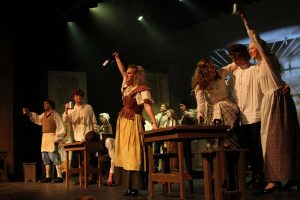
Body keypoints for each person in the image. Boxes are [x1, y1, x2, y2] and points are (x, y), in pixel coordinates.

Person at [239, 10, 300, 193]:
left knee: (281, 140)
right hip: (269, 102)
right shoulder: (257, 68)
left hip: (277, 102)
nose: (250, 50)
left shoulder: (268, 60)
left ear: (260, 48)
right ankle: (278, 177)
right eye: (249, 49)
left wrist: (245, 20)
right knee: (271, 141)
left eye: (252, 47)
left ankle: (284, 178)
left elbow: (256, 38)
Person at [113, 52, 158, 197]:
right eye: (127, 73)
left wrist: (154, 122)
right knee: (125, 153)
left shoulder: (142, 89)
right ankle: (128, 186)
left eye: (131, 73)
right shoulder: (126, 87)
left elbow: (147, 106)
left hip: (134, 122)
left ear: (136, 75)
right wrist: (117, 58)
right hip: (123, 122)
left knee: (133, 153)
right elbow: (122, 71)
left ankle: (136, 186)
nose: (127, 75)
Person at [228, 44, 265, 189]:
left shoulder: (255, 69)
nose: (234, 59)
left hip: (255, 115)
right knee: (247, 149)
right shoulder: (235, 74)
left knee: (257, 148)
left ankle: (259, 176)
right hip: (241, 118)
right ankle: (254, 175)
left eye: (235, 56)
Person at [23, 99, 66, 183]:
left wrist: (57, 138)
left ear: (51, 105)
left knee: (54, 156)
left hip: (52, 136)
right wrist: (29, 113)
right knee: (45, 157)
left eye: (46, 104)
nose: (44, 105)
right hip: (45, 137)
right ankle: (48, 176)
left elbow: (61, 127)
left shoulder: (55, 114)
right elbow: (37, 119)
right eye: (44, 104)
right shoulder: (44, 115)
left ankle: (59, 176)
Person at [62, 89, 99, 184]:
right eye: (76, 95)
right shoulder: (71, 110)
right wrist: (66, 109)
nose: (79, 97)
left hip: (89, 136)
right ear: (73, 98)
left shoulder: (88, 107)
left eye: (80, 95)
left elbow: (94, 121)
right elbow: (65, 120)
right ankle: (83, 177)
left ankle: (91, 177)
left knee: (90, 158)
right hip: (78, 138)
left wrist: (97, 133)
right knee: (82, 159)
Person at [98, 112, 115, 186]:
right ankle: (109, 175)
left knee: (111, 158)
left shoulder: (108, 125)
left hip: (115, 153)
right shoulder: (101, 126)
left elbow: (113, 159)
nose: (101, 119)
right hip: (108, 148)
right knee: (101, 159)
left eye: (102, 117)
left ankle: (112, 177)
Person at [153, 103, 169, 172]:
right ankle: (155, 167)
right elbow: (154, 120)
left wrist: (165, 126)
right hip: (157, 135)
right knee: (156, 151)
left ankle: (165, 168)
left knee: (165, 151)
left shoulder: (168, 115)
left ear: (166, 108)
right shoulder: (158, 115)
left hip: (164, 135)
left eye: (163, 106)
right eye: (161, 106)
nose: (161, 107)